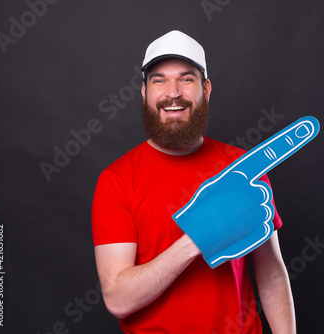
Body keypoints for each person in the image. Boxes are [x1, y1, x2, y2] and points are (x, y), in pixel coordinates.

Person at [92, 30, 296, 333]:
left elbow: (272, 276)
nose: (172, 92)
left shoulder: (244, 168)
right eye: (159, 80)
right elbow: (118, 298)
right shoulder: (117, 180)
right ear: (144, 93)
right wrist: (199, 236)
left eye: (186, 79)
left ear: (206, 89)